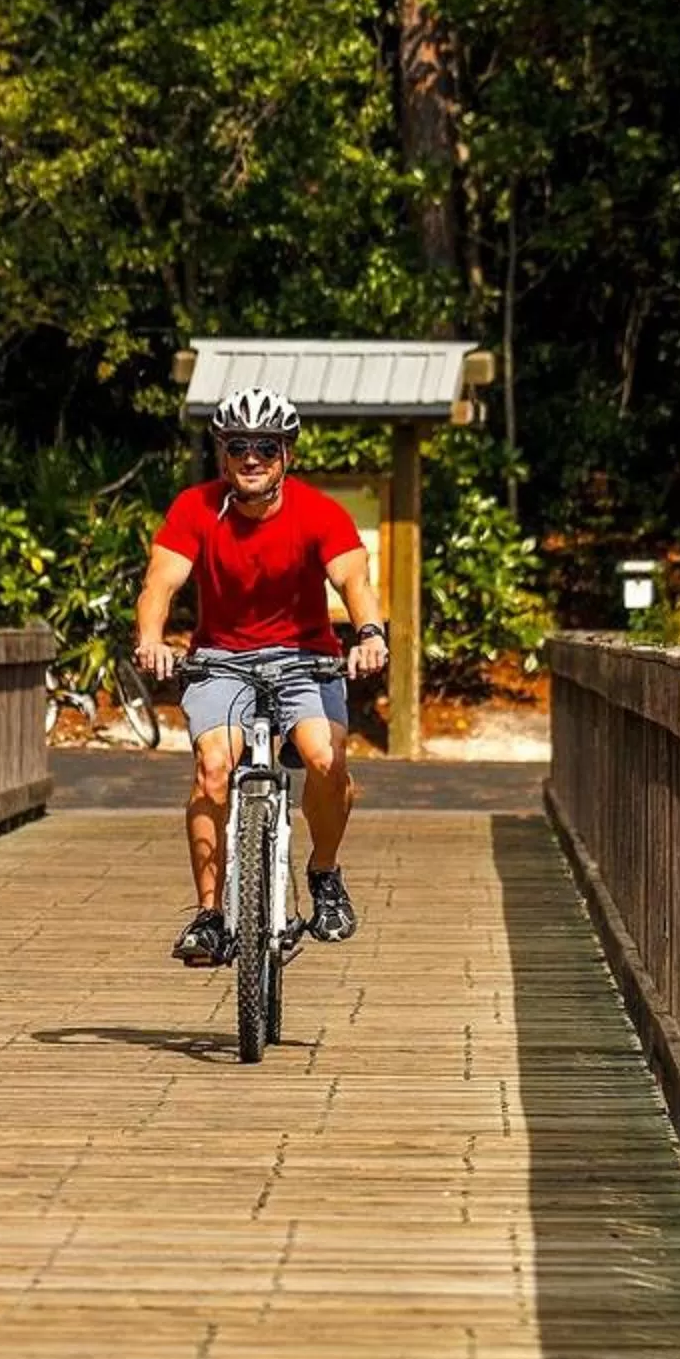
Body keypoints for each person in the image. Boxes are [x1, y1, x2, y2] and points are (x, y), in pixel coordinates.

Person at [131, 386, 389, 966]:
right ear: (222, 454)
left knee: (327, 760)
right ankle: (210, 917)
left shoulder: (319, 512)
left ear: (285, 455)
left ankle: (323, 874)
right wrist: (151, 640)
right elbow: (160, 585)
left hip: (306, 658)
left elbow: (355, 583)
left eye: (265, 447)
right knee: (213, 768)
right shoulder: (194, 508)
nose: (252, 458)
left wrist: (370, 635)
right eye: (239, 445)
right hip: (221, 659)